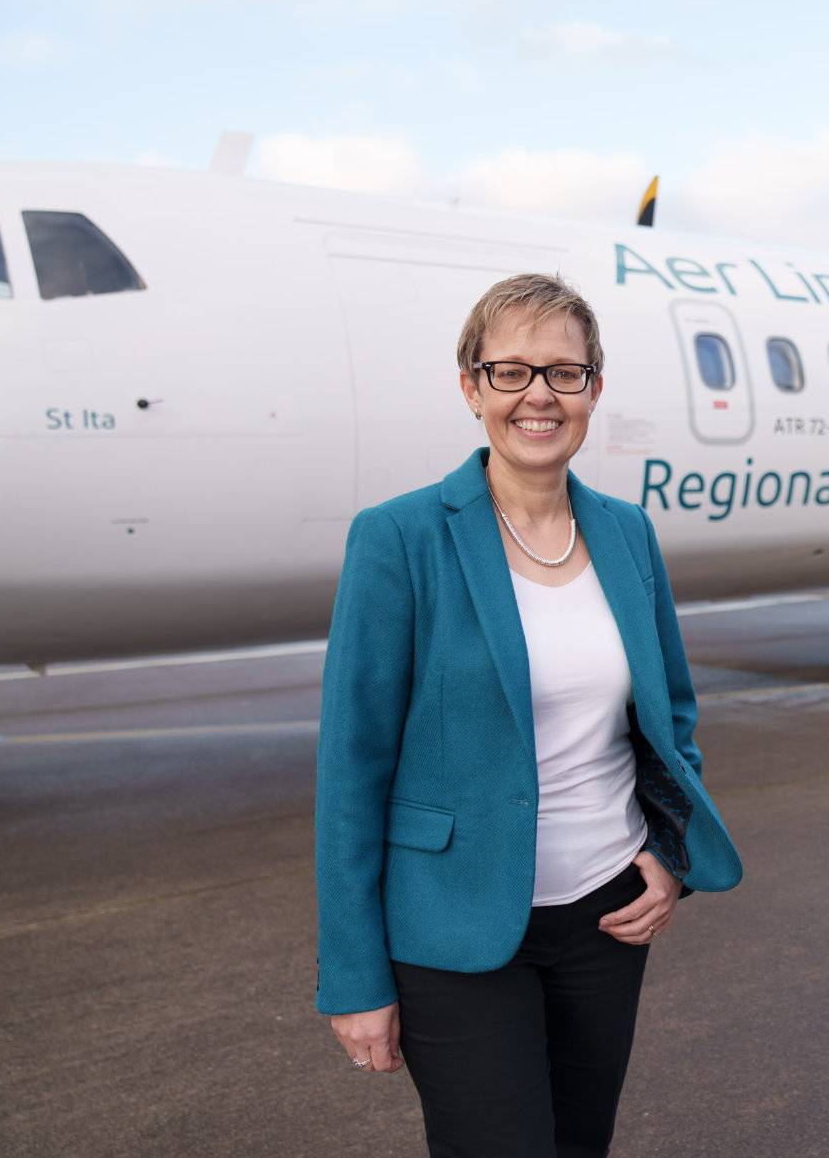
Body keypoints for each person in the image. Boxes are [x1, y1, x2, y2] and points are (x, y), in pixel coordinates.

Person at [315, 273, 742, 1157]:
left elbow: (673, 716)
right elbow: (352, 771)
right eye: (509, 371)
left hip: (605, 915)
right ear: (471, 388)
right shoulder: (398, 538)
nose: (539, 394)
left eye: (564, 372)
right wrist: (354, 977)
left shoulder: (626, 532)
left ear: (593, 388)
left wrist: (668, 853)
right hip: (457, 927)